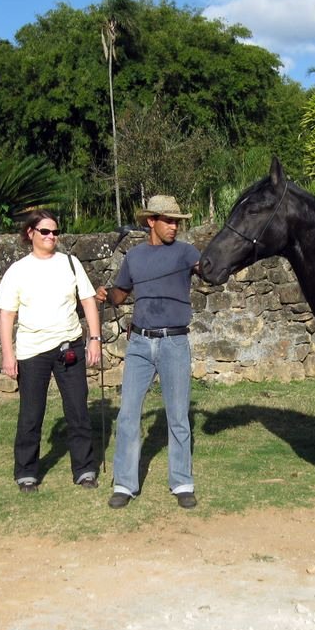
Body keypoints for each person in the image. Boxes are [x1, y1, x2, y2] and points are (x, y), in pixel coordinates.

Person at [95, 195, 201, 509]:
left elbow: (207, 269)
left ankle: (182, 482)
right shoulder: (135, 256)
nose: (174, 227)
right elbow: (120, 294)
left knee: (178, 415)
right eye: (168, 220)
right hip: (139, 344)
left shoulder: (186, 252)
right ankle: (125, 484)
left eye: (177, 221)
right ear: (150, 221)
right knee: (128, 414)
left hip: (174, 343)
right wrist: (106, 295)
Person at [0, 209, 103, 493]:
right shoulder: (18, 270)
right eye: (45, 231)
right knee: (31, 414)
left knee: (78, 411)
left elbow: (89, 301)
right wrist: (8, 354)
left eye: (55, 231)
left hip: (70, 347)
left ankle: (85, 469)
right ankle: (26, 472)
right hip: (32, 352)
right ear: (31, 233)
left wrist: (95, 339)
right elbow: (6, 316)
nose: (52, 236)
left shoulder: (70, 263)